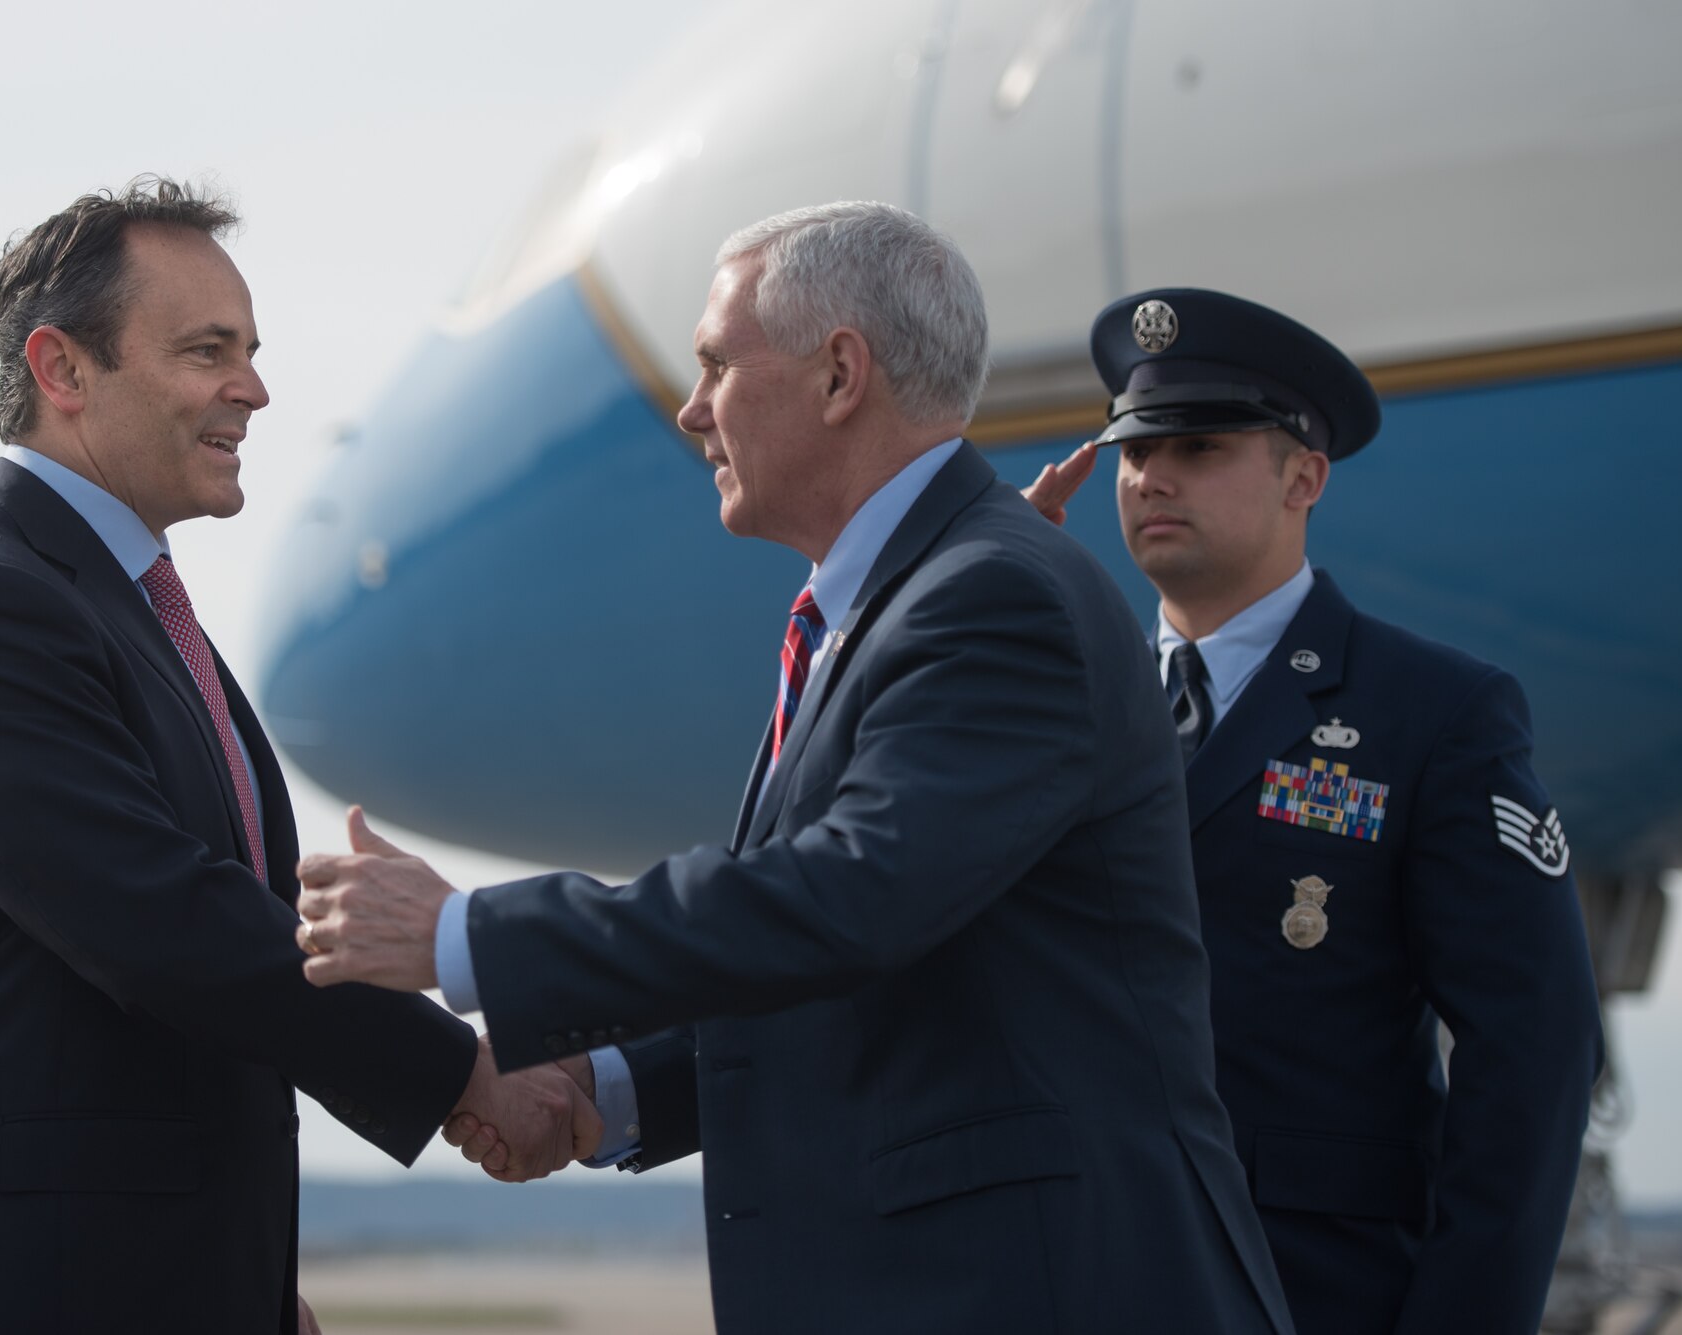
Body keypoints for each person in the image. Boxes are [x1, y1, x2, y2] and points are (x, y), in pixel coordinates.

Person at [292, 204, 1294, 1334]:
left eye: (716, 364)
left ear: (837, 376)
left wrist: (463, 936)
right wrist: (602, 1091)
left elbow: (844, 901)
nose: (689, 407)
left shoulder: (989, 599)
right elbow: (864, 978)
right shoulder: (902, 604)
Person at [0, 177, 597, 1335]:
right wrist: (461, 1073)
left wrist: (243, 1273)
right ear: (63, 371)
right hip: (15, 1283)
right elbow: (163, 924)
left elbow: (206, 960)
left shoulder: (132, 610)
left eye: (247, 350)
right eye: (206, 352)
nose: (252, 389)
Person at [1021, 287, 1605, 1334]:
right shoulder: (1054, 701)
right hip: (1074, 1278)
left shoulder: (1430, 714)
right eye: (1131, 451)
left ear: (1303, 476)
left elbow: (1531, 1055)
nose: (1151, 474)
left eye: (1198, 446)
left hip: (1310, 1292)